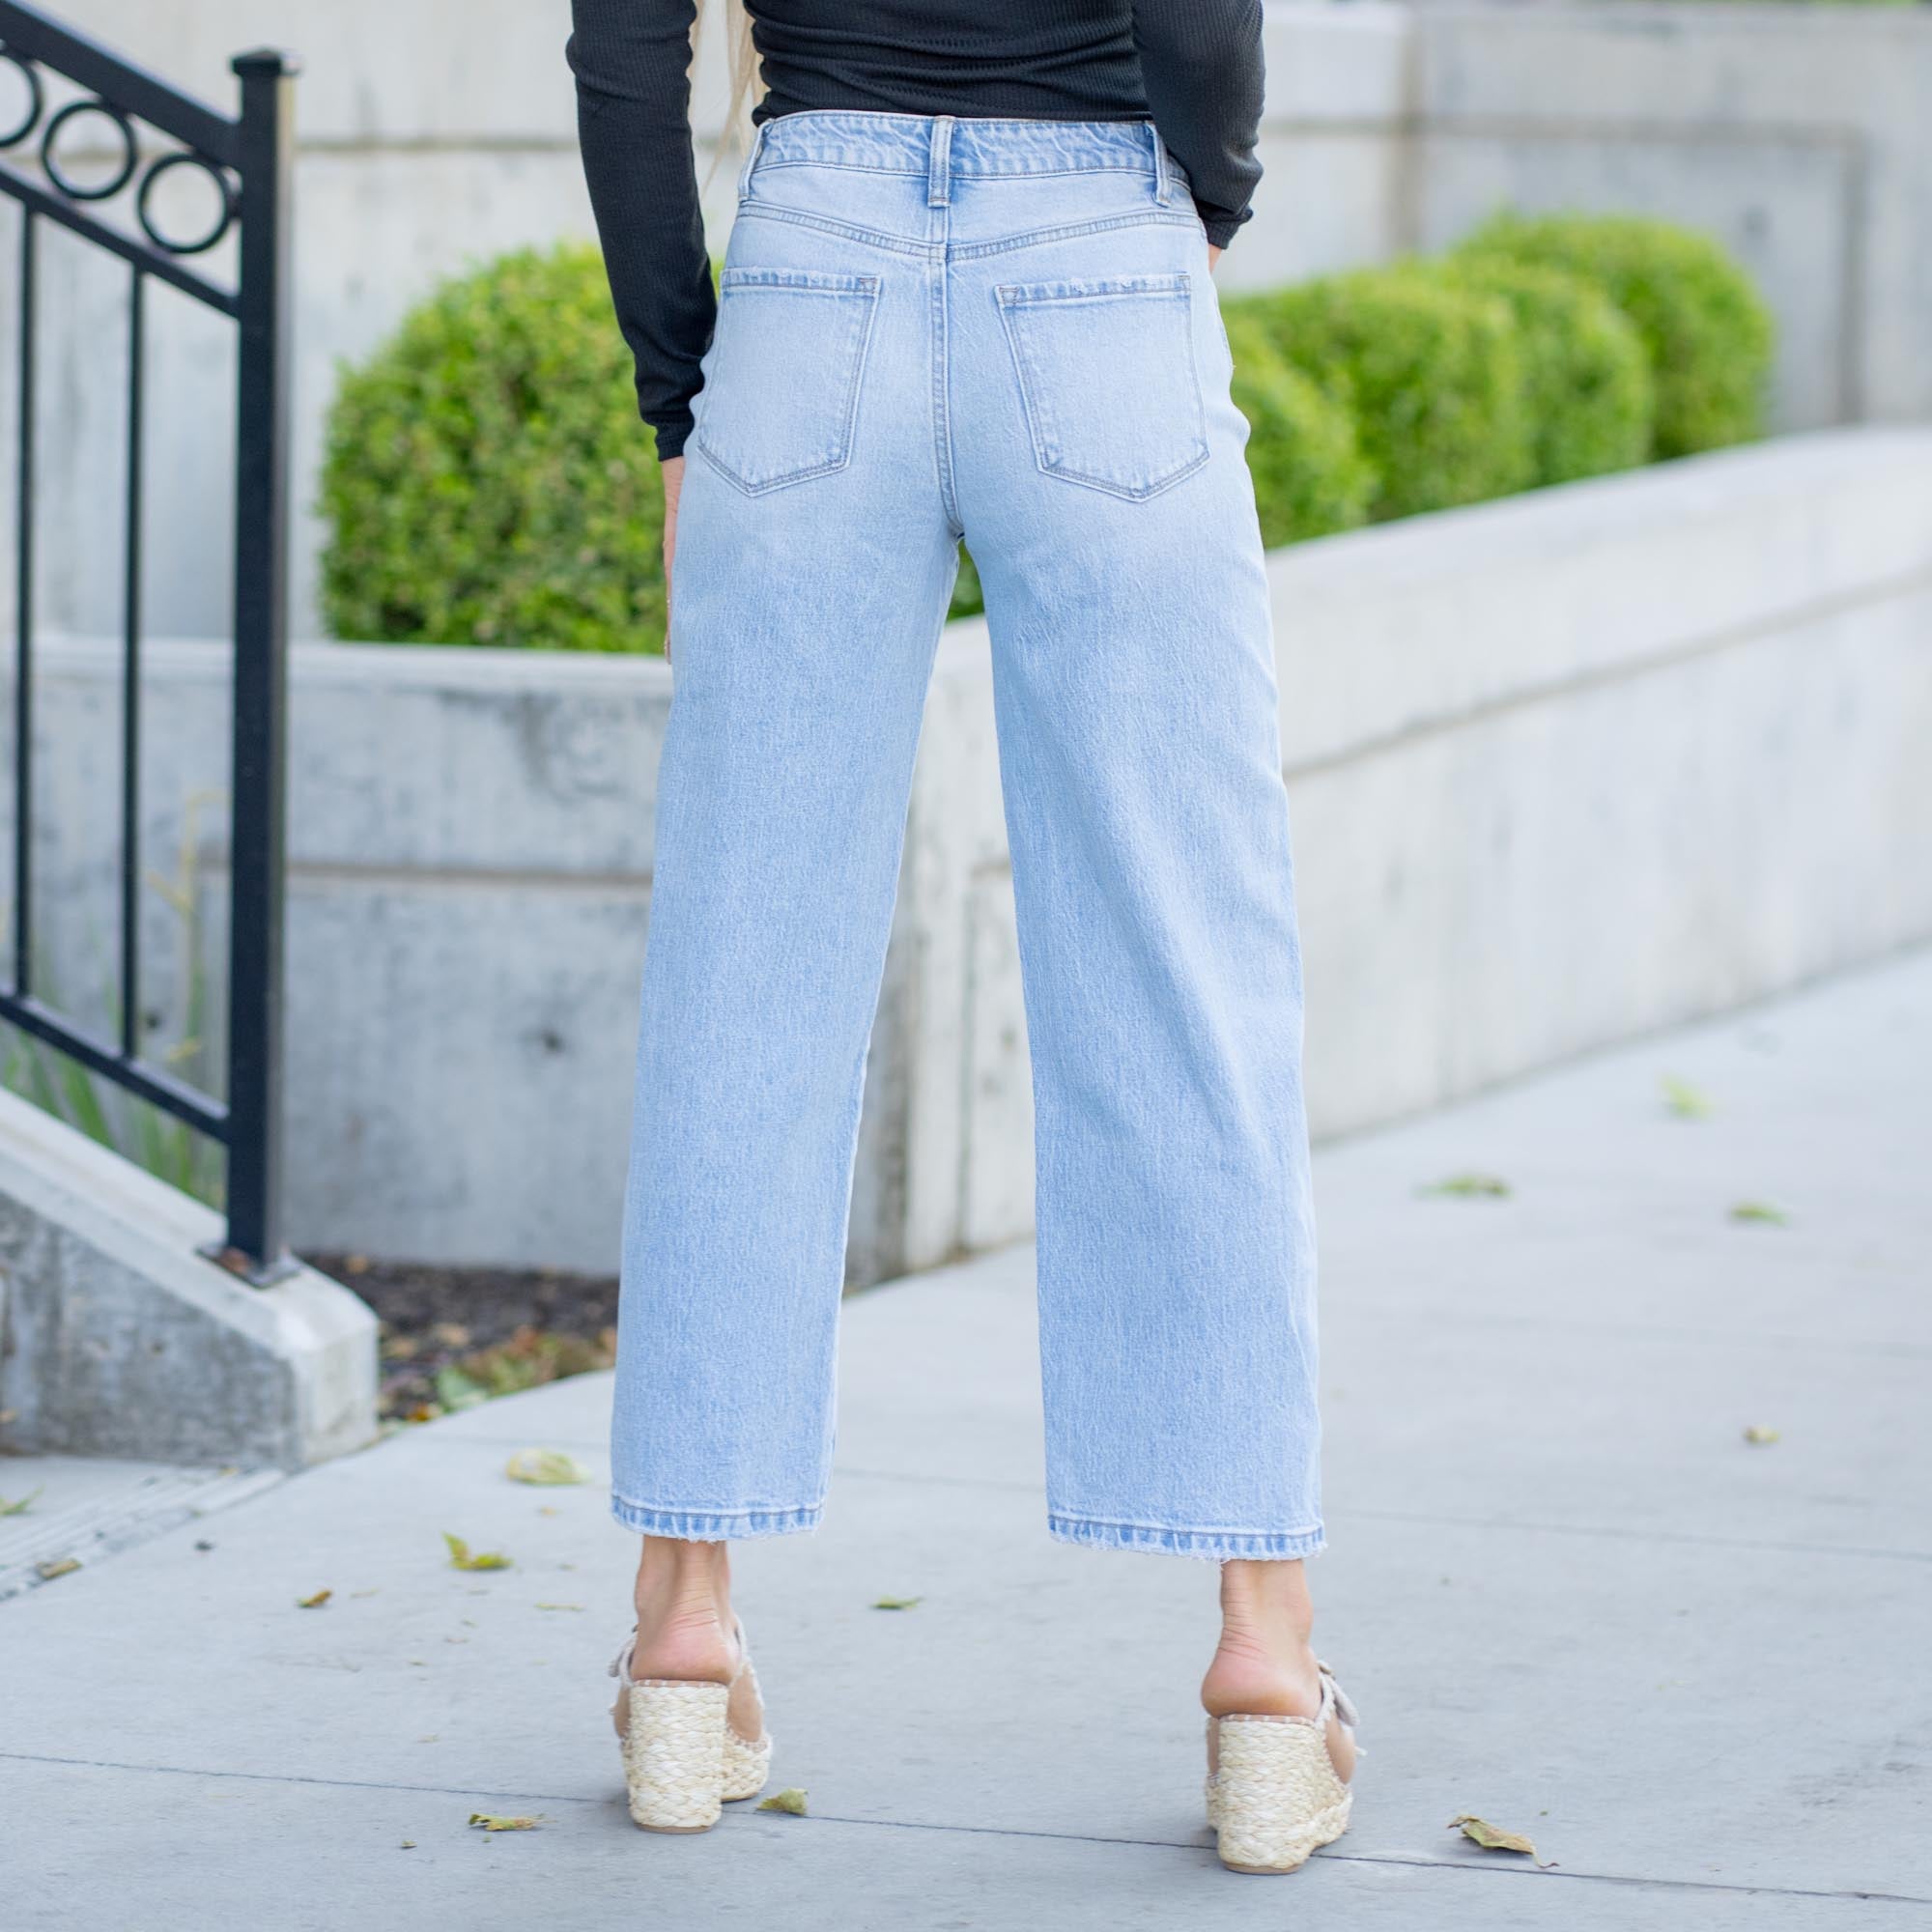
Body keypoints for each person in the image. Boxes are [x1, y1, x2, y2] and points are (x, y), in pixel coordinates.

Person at [567, 0, 1359, 1873]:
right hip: (1096, 248)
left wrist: (679, 393)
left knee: (742, 980)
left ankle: (682, 1627)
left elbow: (622, 43)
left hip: (810, 269)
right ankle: (1265, 1663)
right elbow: (1201, 15)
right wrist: (1204, 200)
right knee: (1184, 973)